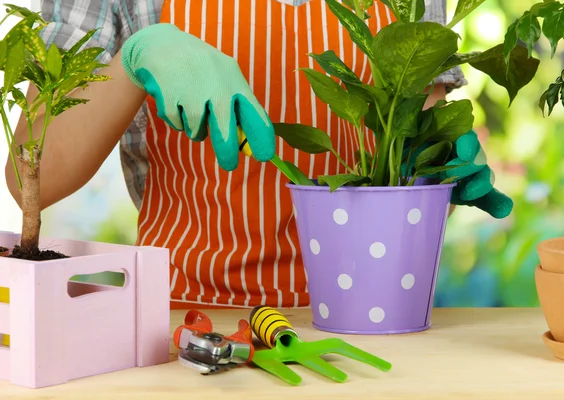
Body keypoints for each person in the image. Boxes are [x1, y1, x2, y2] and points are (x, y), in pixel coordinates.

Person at [4, 0, 503, 310]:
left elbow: (411, 152)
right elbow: (35, 174)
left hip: (370, 313)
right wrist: (136, 56)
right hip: (186, 319)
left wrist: (435, 170)